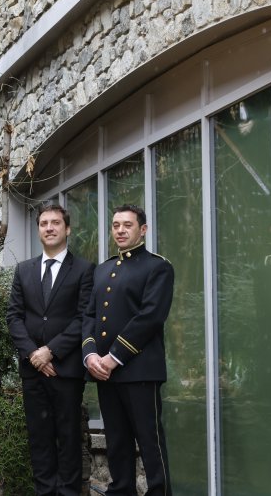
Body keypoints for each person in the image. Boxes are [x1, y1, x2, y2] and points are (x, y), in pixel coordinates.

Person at [82, 205, 174, 496]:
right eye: (115, 225)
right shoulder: (103, 269)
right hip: (105, 372)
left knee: (150, 441)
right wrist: (90, 355)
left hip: (140, 371)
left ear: (142, 230)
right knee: (117, 441)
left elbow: (150, 317)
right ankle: (121, 490)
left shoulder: (158, 267)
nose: (120, 230)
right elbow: (89, 316)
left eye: (127, 225)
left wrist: (113, 358)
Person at [5, 203, 94, 496]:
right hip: (33, 371)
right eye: (44, 223)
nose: (49, 228)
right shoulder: (24, 270)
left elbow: (83, 318)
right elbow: (14, 317)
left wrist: (51, 351)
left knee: (68, 438)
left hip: (65, 370)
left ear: (67, 229)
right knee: (39, 439)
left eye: (55, 223)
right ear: (38, 230)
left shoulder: (83, 270)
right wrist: (34, 354)